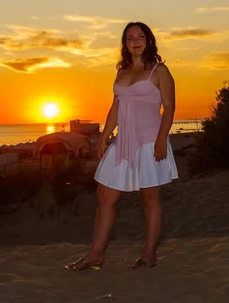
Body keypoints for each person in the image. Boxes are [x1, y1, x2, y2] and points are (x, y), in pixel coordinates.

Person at [65, 22, 178, 271]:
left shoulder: (159, 71)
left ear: (148, 40)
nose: (135, 41)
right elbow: (116, 106)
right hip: (123, 141)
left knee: (150, 199)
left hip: (149, 141)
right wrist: (105, 136)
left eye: (140, 36)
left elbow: (169, 107)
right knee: (105, 196)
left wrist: (161, 139)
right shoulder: (122, 72)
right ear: (125, 44)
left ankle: (149, 254)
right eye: (129, 38)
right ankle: (96, 254)